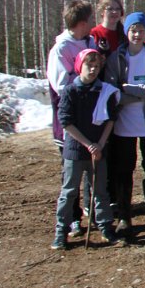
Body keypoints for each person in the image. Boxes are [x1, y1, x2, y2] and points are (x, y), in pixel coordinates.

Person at [103, 11, 145, 237]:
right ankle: (124, 217)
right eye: (133, 30)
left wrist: (128, 88)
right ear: (126, 32)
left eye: (141, 30)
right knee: (123, 171)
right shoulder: (116, 58)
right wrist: (142, 93)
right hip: (123, 125)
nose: (137, 34)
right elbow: (113, 94)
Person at [51, 49, 121, 250]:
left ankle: (105, 226)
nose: (93, 70)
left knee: (100, 190)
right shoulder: (70, 91)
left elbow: (111, 119)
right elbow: (66, 122)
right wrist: (87, 144)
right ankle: (61, 231)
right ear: (79, 66)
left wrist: (100, 144)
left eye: (96, 66)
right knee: (69, 192)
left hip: (98, 150)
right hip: (75, 150)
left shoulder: (104, 91)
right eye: (89, 65)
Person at [46, 0, 96, 238]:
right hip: (71, 120)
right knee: (71, 172)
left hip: (92, 118)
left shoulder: (89, 42)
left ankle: (92, 211)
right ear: (82, 22)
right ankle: (72, 219)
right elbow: (61, 85)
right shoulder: (61, 49)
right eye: (91, 19)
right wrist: (85, 83)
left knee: (91, 168)